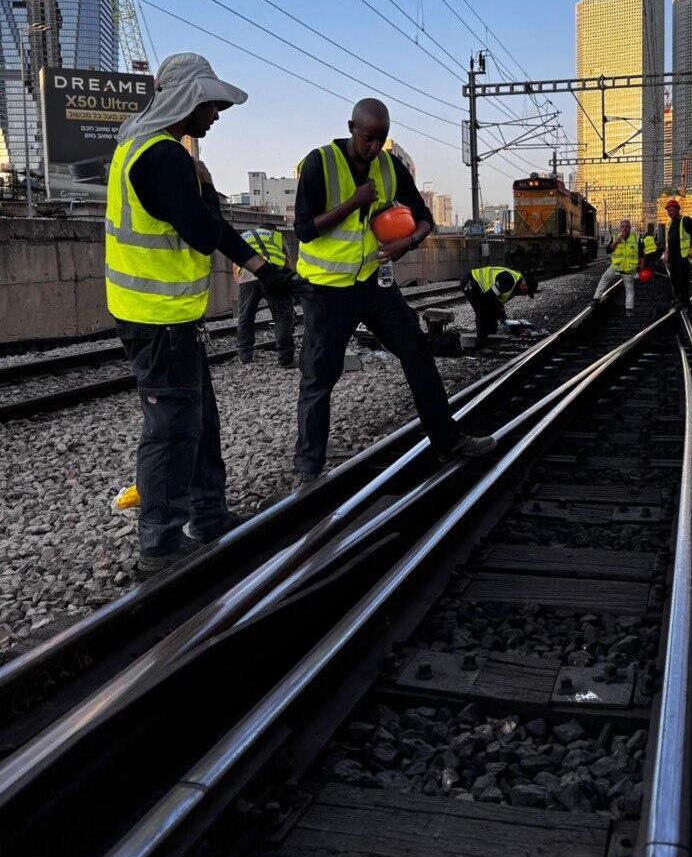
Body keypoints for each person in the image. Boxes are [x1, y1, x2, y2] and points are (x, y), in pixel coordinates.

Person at [105, 53, 295, 573]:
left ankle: (209, 516)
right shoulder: (162, 157)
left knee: (200, 420)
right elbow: (203, 230)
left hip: (167, 317)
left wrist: (265, 269)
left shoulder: (138, 148)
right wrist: (208, 186)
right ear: (185, 98)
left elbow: (208, 229)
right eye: (210, 103)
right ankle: (161, 543)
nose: (215, 113)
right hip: (157, 318)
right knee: (172, 427)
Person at [293, 97, 494, 482]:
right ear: (352, 127)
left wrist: (409, 242)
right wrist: (354, 202)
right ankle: (307, 470)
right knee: (319, 376)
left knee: (416, 351)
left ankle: (448, 441)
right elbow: (304, 228)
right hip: (327, 290)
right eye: (368, 138)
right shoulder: (320, 163)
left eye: (381, 139)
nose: (374, 147)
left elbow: (424, 218)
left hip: (373, 283)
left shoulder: (389, 165)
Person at [234, 226, 295, 367]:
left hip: (248, 275)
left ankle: (245, 357)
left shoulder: (244, 235)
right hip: (273, 274)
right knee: (282, 317)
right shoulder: (277, 236)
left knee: (245, 317)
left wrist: (243, 283)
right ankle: (286, 360)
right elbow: (287, 263)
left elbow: (235, 264)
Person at [460, 266, 538, 348]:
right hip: (471, 280)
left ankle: (490, 340)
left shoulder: (515, 285)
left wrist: (504, 319)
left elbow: (497, 302)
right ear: (524, 284)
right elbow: (489, 298)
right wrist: (503, 318)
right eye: (527, 291)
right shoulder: (508, 281)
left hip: (480, 287)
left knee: (491, 312)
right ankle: (481, 343)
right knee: (482, 310)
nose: (525, 294)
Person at [593, 219, 640, 311]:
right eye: (623, 226)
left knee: (630, 290)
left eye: (627, 226)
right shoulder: (615, 237)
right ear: (620, 228)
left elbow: (641, 255)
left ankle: (629, 310)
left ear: (630, 228)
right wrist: (617, 241)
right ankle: (596, 299)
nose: (624, 228)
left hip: (629, 269)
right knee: (604, 278)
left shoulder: (636, 239)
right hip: (616, 267)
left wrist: (641, 269)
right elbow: (608, 250)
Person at [663, 198, 692, 308]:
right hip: (673, 257)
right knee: (674, 279)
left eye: (672, 210)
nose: (670, 212)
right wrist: (666, 253)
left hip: (683, 256)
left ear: (678, 209)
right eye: (668, 210)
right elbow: (669, 241)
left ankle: (684, 301)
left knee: (682, 279)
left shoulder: (685, 220)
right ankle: (679, 300)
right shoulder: (671, 223)